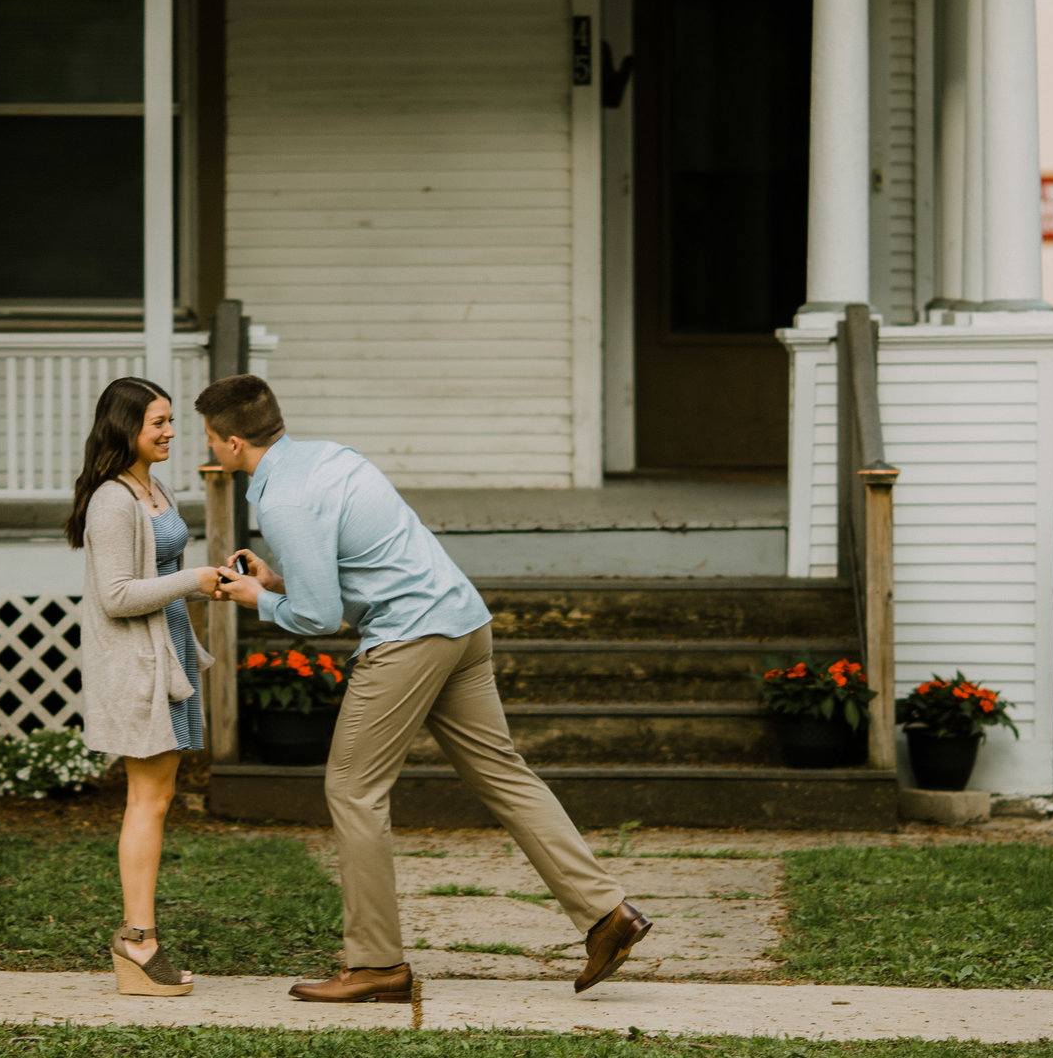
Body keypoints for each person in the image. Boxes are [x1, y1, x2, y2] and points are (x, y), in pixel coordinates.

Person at [194, 373, 651, 1004]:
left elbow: (321, 617)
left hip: (410, 637)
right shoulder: (332, 457)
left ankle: (376, 963)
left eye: (212, 440)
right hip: (462, 620)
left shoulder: (283, 500)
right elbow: (358, 569)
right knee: (503, 773)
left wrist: (257, 601)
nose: (211, 450)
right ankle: (608, 915)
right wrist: (276, 580)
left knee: (353, 789)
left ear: (236, 442)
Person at [66, 376, 224, 997]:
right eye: (158, 422)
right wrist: (195, 580)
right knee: (146, 800)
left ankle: (140, 938)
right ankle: (137, 942)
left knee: (156, 799)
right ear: (125, 427)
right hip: (137, 663)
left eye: (169, 421)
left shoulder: (154, 487)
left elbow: (159, 570)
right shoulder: (112, 500)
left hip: (168, 656)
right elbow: (117, 595)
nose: (170, 432)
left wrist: (201, 578)